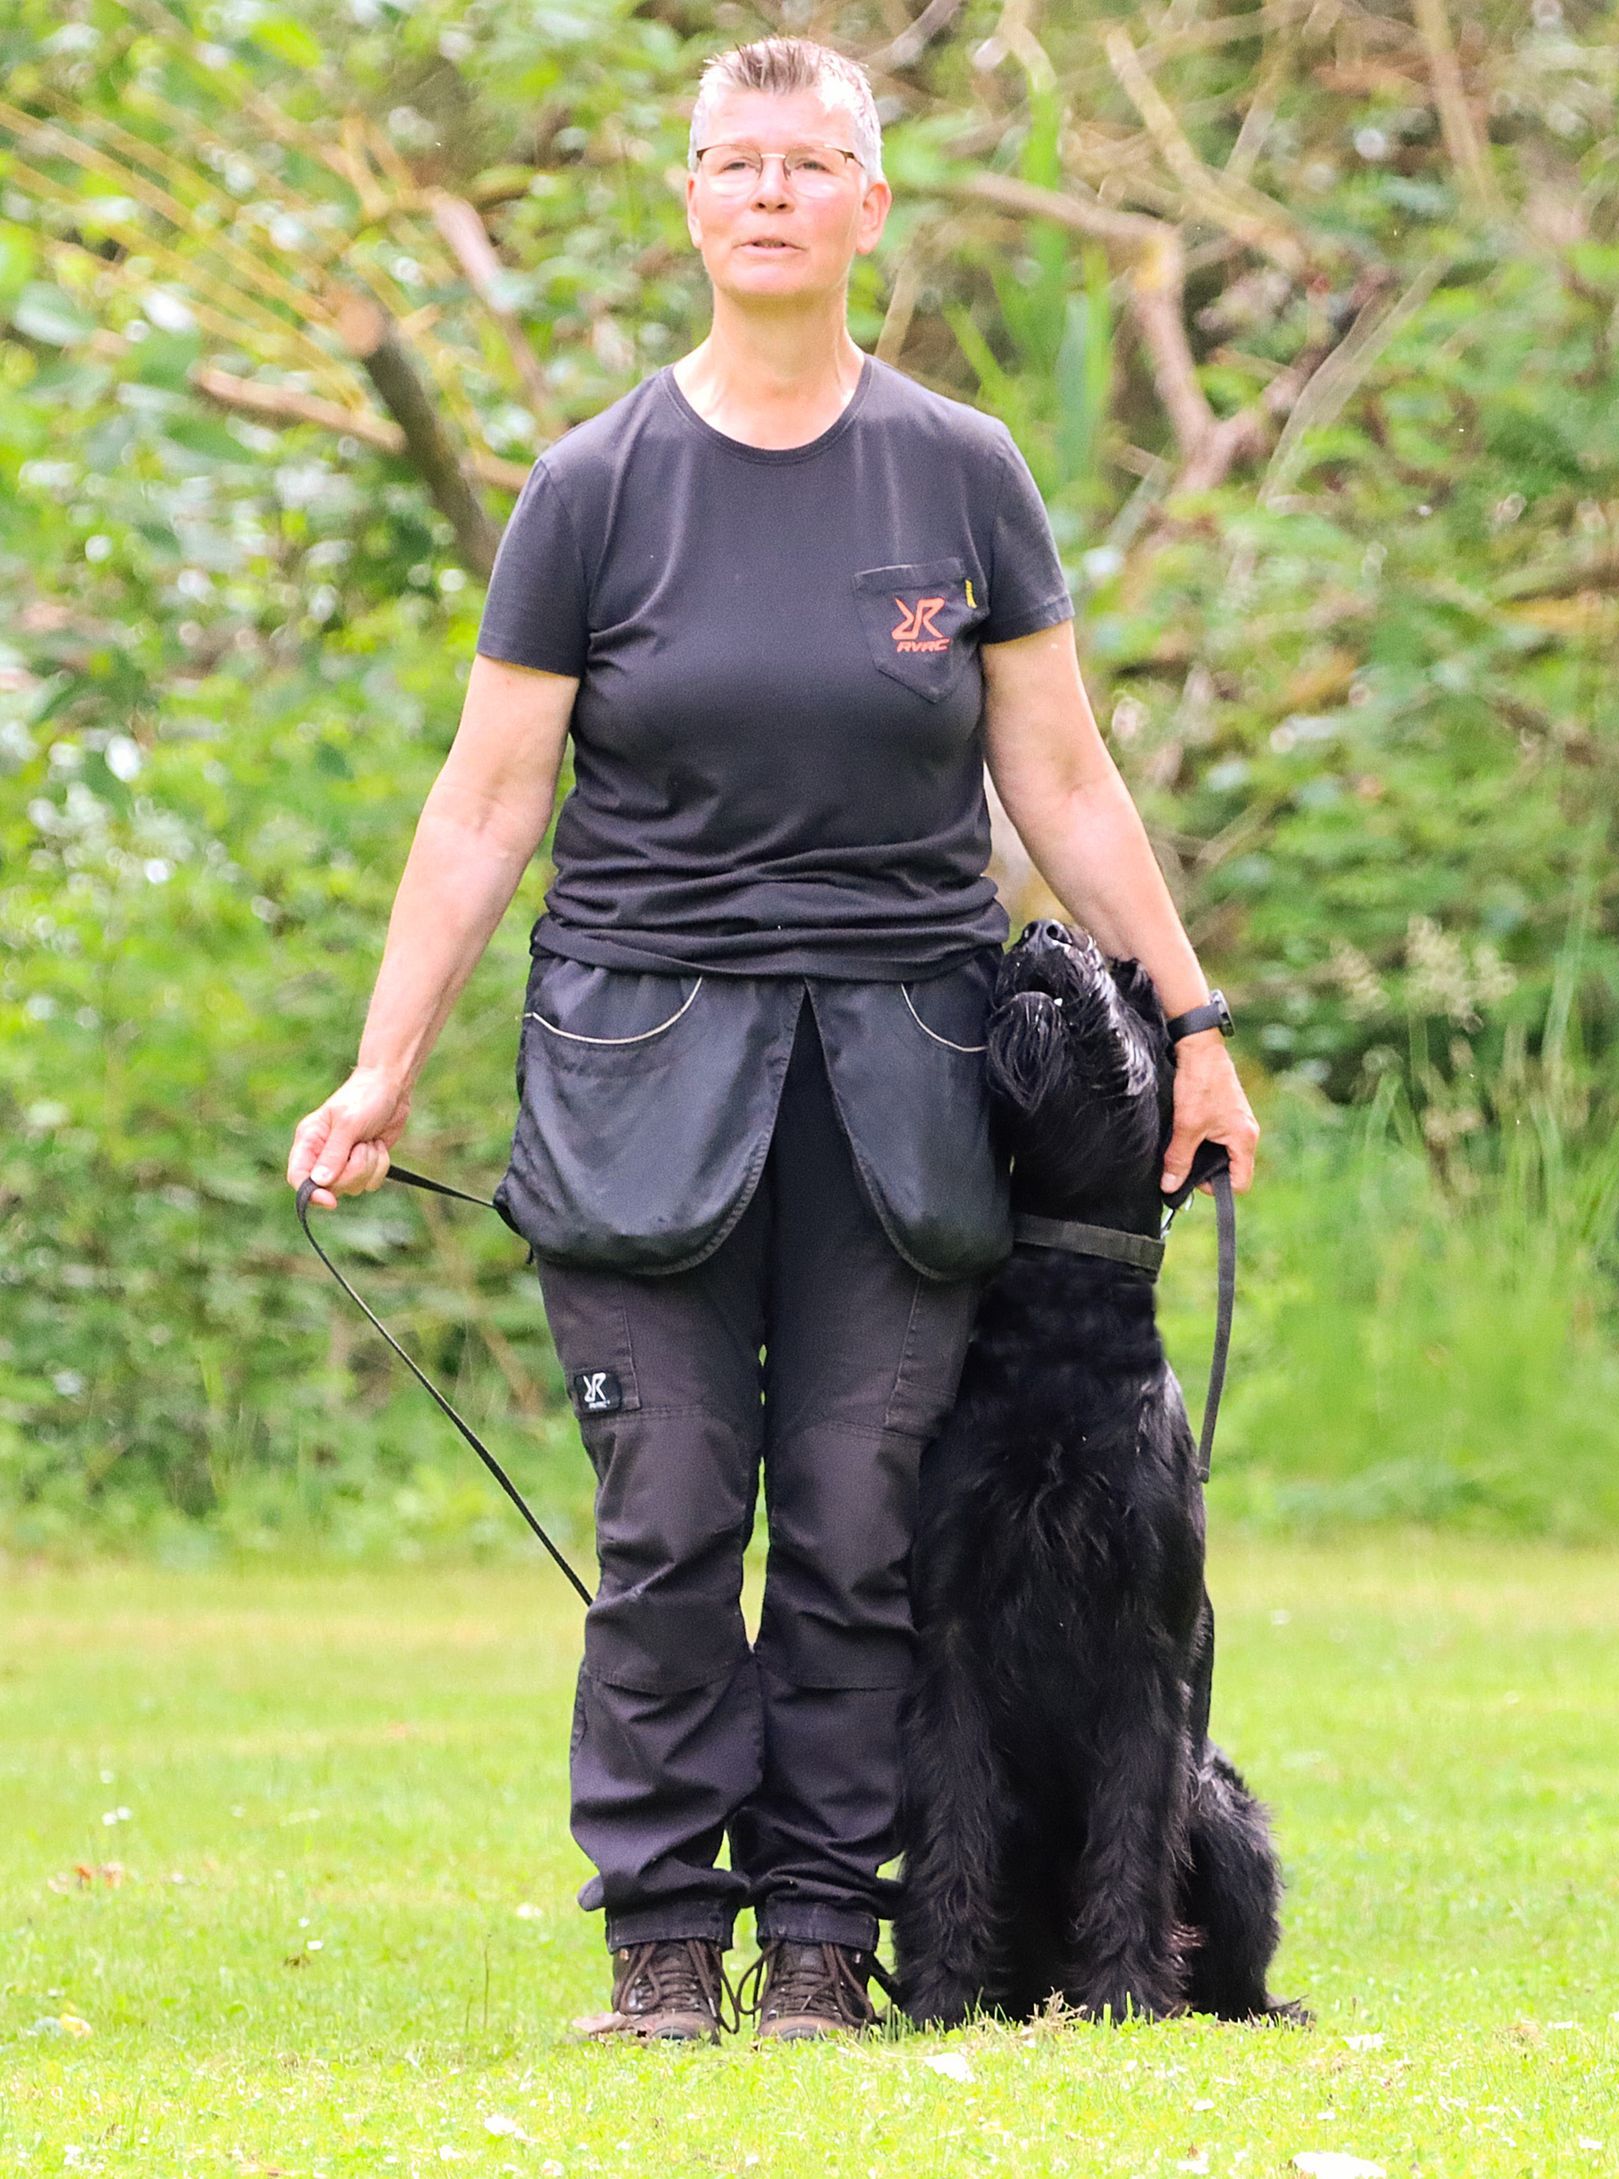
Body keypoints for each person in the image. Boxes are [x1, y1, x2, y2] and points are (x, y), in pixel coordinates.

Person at [285, 33, 1260, 2044]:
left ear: (868, 206)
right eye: (735, 162)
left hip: (911, 1090)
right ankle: (663, 1946)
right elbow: (485, 803)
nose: (770, 194)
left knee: (855, 1529)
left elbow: (1063, 778)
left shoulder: (963, 471)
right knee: (664, 1526)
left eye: (810, 164)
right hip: (636, 1077)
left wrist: (1194, 1020)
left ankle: (822, 1947)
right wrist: (384, 1066)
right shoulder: (593, 487)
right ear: (692, 200)